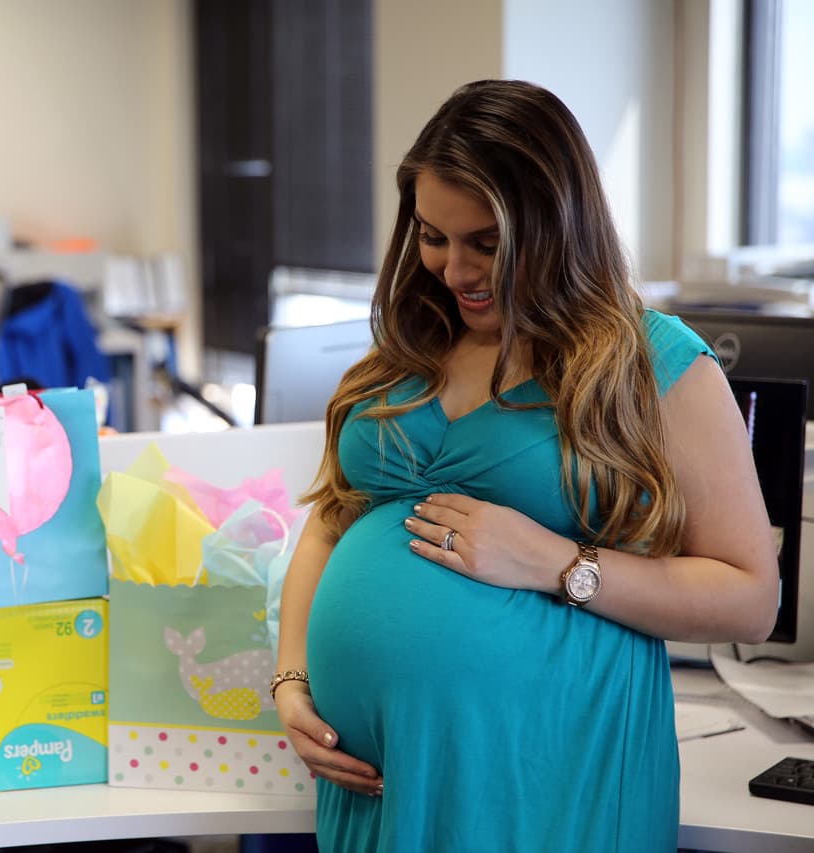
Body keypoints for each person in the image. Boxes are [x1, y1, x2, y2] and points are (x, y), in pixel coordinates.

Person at [272, 79, 779, 852]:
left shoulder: (654, 365)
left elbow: (749, 598)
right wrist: (293, 679)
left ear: (558, 226)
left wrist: (556, 562)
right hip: (379, 782)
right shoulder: (412, 342)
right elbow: (331, 520)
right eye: (433, 235)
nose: (453, 269)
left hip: (543, 773)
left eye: (486, 242)